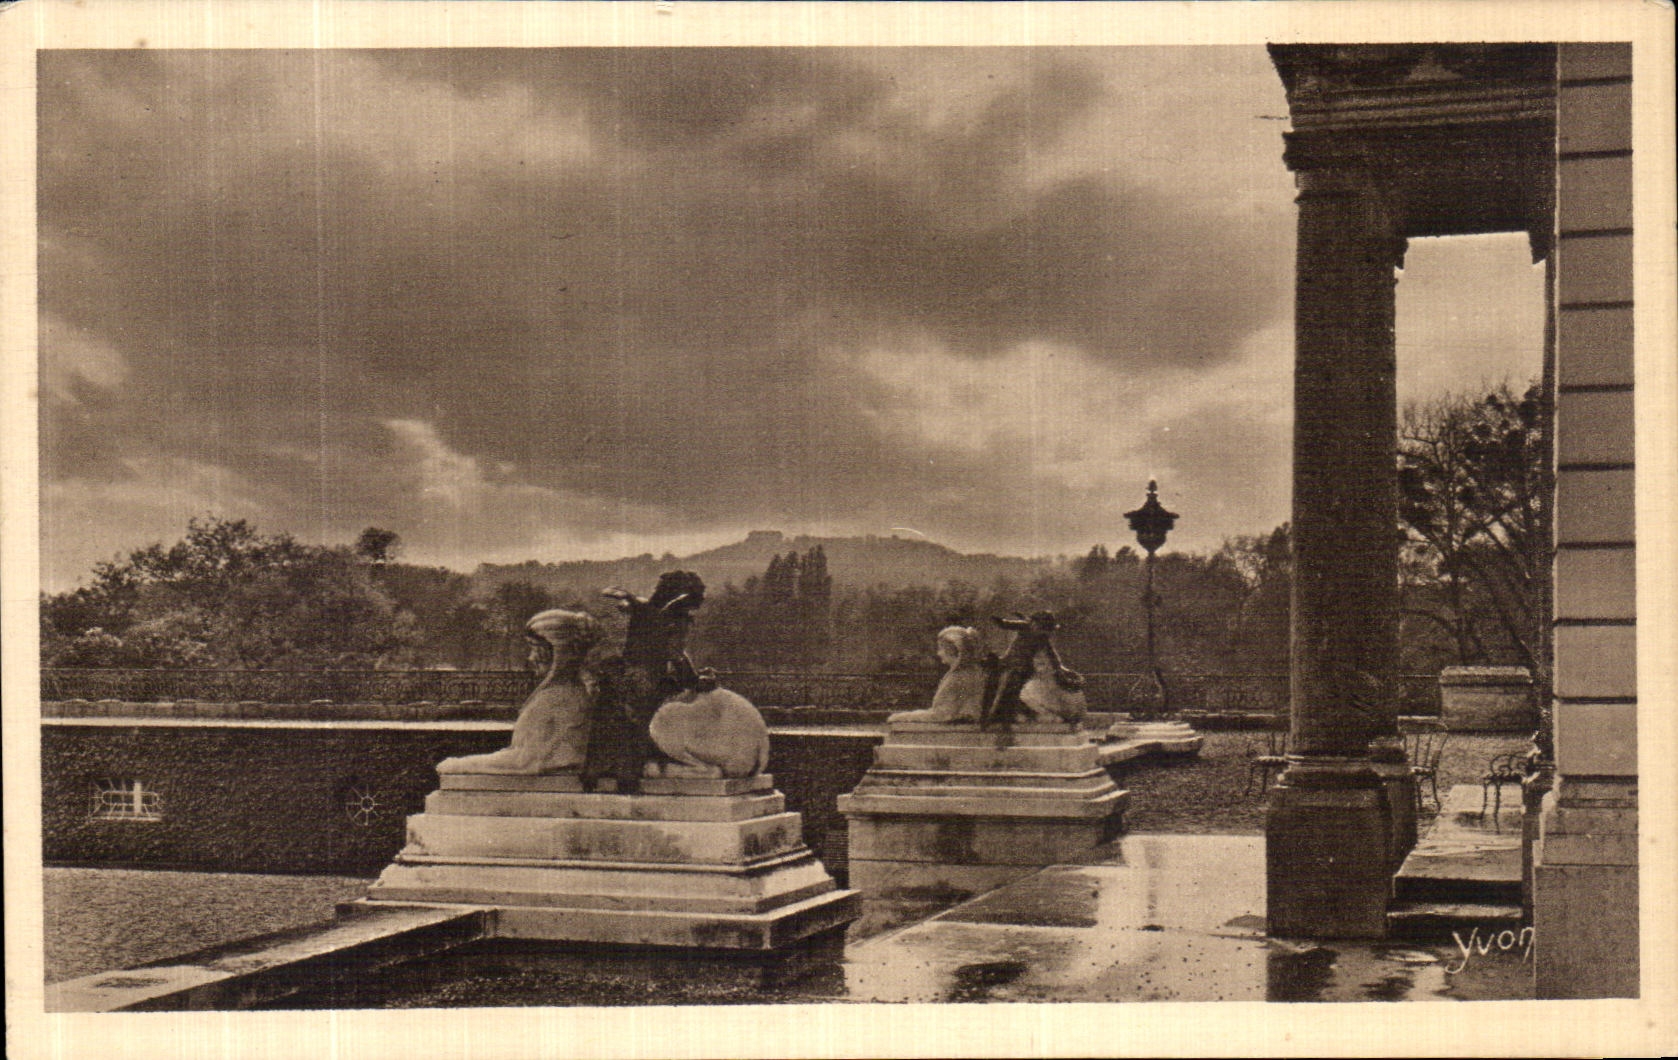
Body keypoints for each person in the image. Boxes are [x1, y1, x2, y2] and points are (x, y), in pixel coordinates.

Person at [584, 571, 710, 793]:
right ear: (683, 597)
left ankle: (596, 771)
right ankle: (629, 776)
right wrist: (694, 679)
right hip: (649, 680)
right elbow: (676, 653)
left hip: (623, 676)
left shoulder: (642, 608)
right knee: (645, 722)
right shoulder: (676, 616)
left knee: (613, 721)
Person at [436, 609, 600, 775]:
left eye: (536, 649)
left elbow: (523, 762)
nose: (531, 658)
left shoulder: (559, 699)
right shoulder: (564, 694)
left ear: (558, 652)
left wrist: (459, 765)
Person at [983, 610, 1074, 728]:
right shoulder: (1024, 626)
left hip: (1023, 667)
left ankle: (1005, 717)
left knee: (1012, 691)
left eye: (1041, 628)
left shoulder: (1042, 637)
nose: (1036, 628)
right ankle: (999, 716)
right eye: (1035, 625)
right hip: (1010, 661)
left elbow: (1052, 655)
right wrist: (998, 620)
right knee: (1004, 689)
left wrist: (1060, 668)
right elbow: (1007, 624)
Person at [888, 626, 990, 724]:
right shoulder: (970, 672)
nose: (939, 653)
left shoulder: (959, 677)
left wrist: (903, 717)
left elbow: (941, 715)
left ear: (952, 650)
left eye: (941, 649)